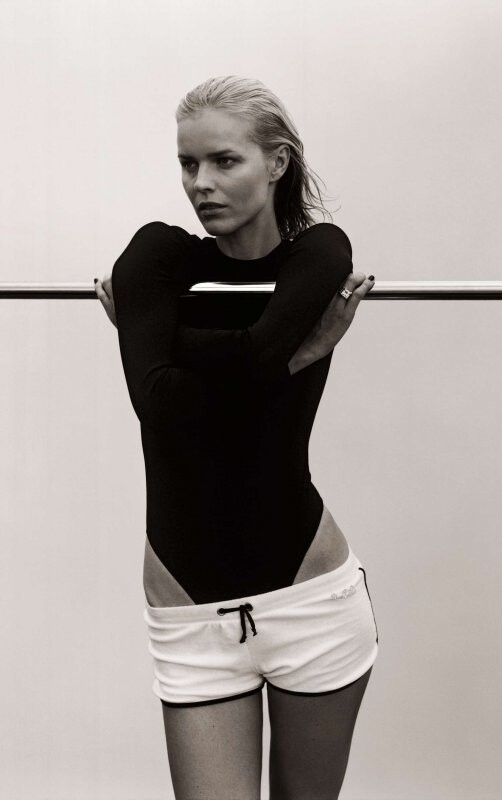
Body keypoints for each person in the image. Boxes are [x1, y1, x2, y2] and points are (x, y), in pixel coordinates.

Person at [95, 75, 377, 800]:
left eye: (224, 161)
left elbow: (234, 367)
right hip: (191, 615)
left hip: (310, 602)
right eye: (188, 164)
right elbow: (158, 405)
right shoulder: (157, 257)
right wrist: (300, 355)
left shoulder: (318, 255)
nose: (201, 183)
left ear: (276, 162)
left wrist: (154, 337)